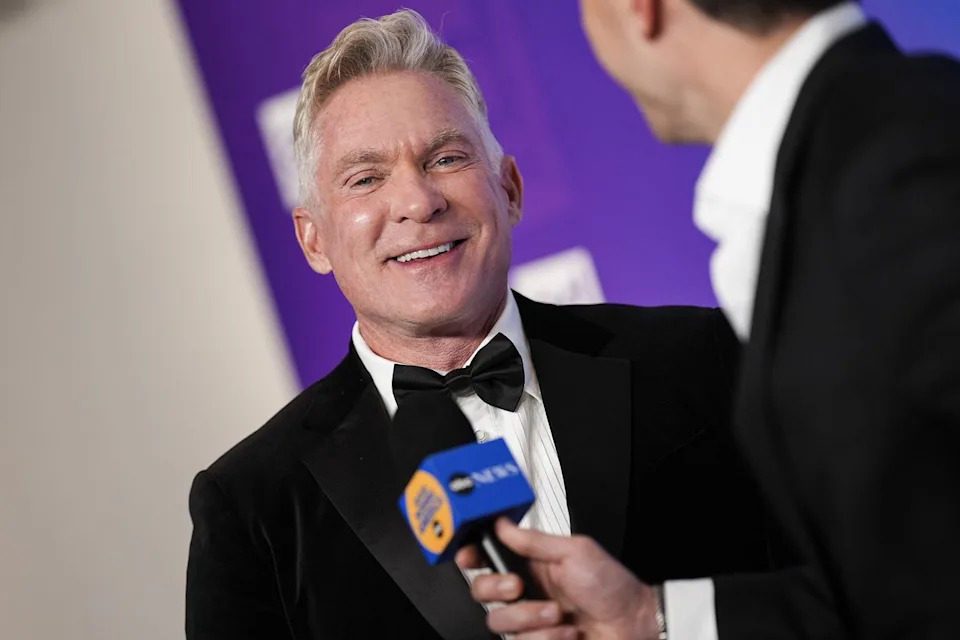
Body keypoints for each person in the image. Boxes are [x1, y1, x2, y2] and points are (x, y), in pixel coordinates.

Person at [184, 9, 790, 640]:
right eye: (366, 179)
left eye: (446, 158)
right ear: (314, 241)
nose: (418, 202)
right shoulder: (253, 503)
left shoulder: (701, 359)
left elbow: (850, 590)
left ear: (511, 189)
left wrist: (662, 621)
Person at [462, 1, 960, 638]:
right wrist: (653, 617)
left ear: (639, 9)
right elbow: (906, 580)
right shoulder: (856, 157)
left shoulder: (903, 162)